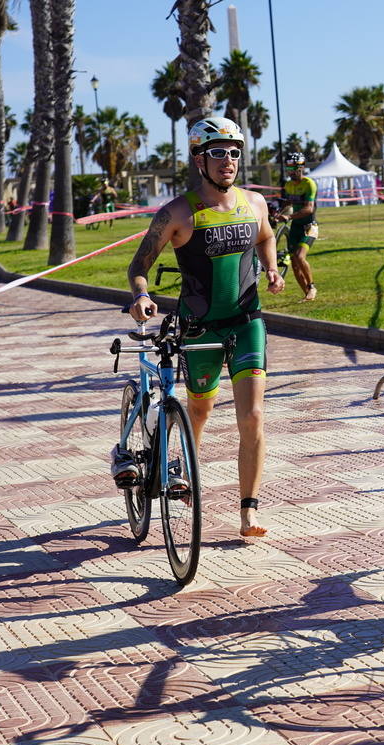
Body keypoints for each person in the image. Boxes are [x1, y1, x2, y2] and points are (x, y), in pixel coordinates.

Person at [111, 115, 286, 539]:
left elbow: (265, 236)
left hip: (246, 323)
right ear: (199, 159)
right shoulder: (177, 212)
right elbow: (139, 265)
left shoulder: (255, 203)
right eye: (218, 153)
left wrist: (272, 266)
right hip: (198, 329)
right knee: (200, 412)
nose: (228, 160)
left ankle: (248, 512)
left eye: (234, 152)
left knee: (253, 416)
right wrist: (141, 295)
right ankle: (186, 471)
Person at [273, 152, 318, 301]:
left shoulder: (309, 184)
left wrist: (289, 217)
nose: (291, 172)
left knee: (299, 256)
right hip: (295, 227)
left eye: (294, 168)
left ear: (302, 167)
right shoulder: (288, 185)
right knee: (294, 263)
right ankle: (307, 295)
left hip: (309, 227)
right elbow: (288, 202)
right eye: (289, 168)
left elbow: (309, 209)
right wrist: (279, 213)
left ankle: (312, 287)